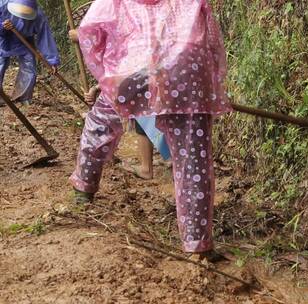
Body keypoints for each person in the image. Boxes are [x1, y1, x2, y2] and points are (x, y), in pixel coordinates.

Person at [70, 0, 230, 259]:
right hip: (187, 69)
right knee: (193, 156)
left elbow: (90, 30)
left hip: (134, 67)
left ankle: (83, 187)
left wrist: (106, 73)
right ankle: (197, 243)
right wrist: (208, 81)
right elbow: (211, 42)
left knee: (100, 123)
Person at [0, 0, 59, 106]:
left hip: (25, 39)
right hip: (4, 37)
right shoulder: (3, 4)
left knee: (29, 64)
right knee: (1, 63)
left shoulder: (39, 16)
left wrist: (51, 61)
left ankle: (23, 97)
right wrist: (2, 26)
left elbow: (45, 38)